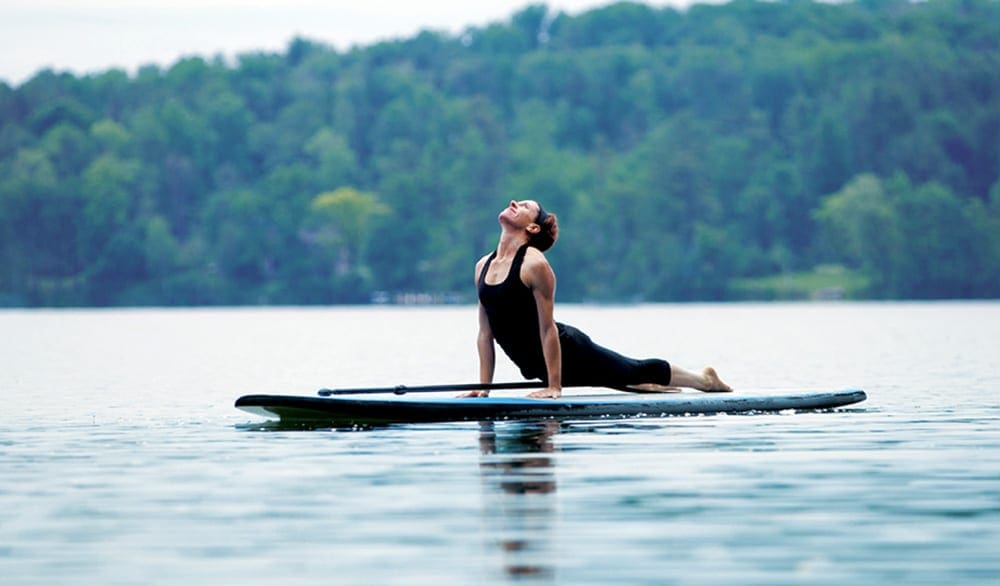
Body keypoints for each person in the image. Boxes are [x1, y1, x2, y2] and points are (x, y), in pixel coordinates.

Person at [462, 199, 732, 399]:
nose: (513, 203)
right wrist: (484, 390)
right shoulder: (482, 266)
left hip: (570, 352)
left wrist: (554, 387)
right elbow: (485, 334)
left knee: (632, 372)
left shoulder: (534, 265)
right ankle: (662, 384)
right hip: (538, 366)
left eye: (523, 206)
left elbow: (547, 329)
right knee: (631, 382)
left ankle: (704, 380)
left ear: (532, 228)